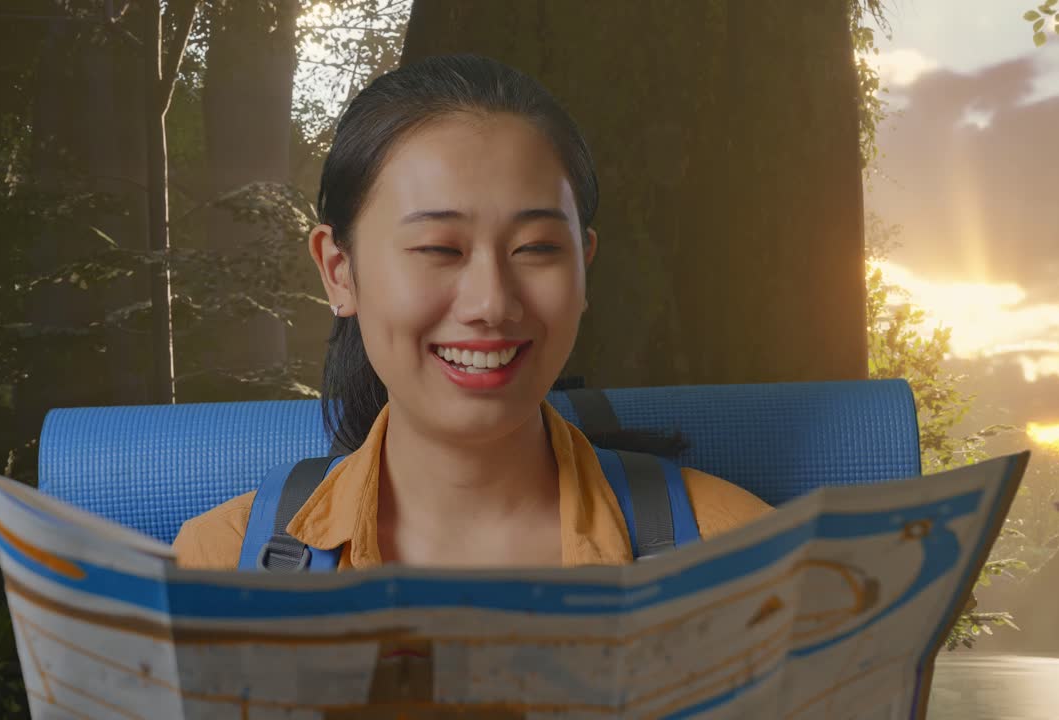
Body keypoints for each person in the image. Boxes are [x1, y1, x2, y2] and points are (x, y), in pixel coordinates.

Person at [172, 54, 772, 571]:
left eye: (536, 248)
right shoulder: (216, 565)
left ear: (583, 267)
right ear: (339, 271)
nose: (491, 303)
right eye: (439, 249)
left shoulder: (739, 552)